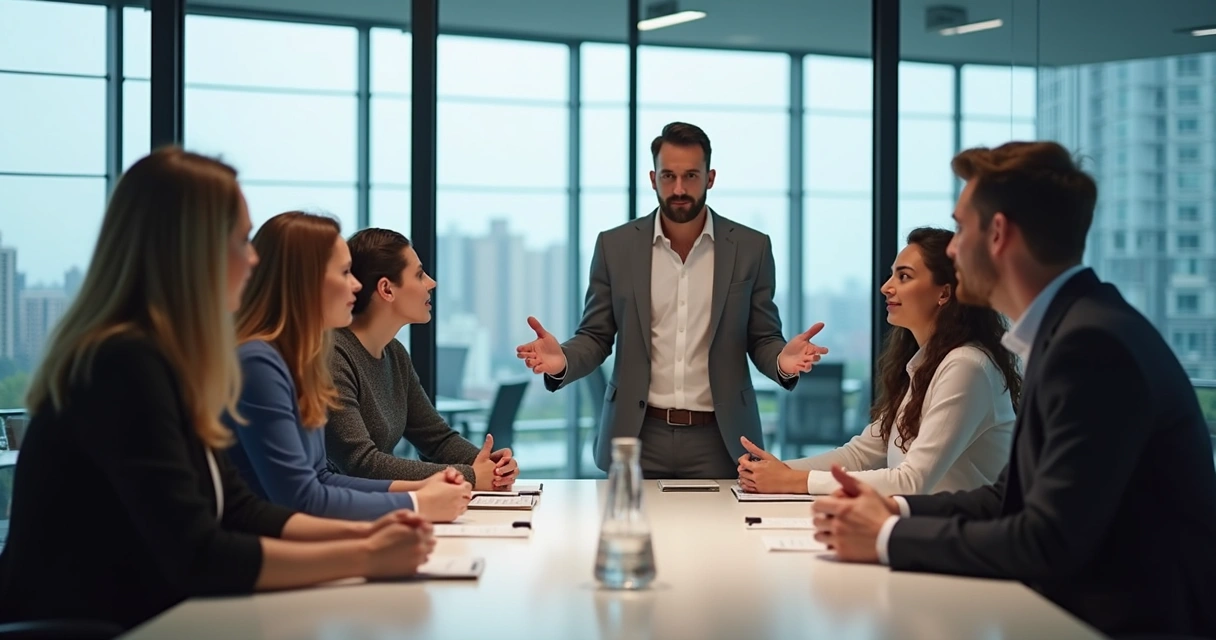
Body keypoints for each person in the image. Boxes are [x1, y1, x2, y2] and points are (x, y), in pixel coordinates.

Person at [0, 149, 435, 631]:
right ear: (188, 250)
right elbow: (200, 553)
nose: (253, 258)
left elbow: (241, 509)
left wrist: (376, 533)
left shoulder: (173, 361)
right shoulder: (123, 365)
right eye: (240, 239)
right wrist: (365, 555)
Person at [811, 141, 1216, 638]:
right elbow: (1009, 497)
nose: (954, 249)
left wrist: (888, 536)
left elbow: (1046, 539)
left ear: (998, 233)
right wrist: (892, 510)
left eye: (961, 228)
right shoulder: (1075, 327)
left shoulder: (1089, 346)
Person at [515, 122, 828, 478]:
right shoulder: (615, 247)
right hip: (637, 434)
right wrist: (563, 361)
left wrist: (783, 361)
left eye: (691, 176)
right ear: (653, 179)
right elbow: (596, 335)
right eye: (668, 176)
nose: (679, 189)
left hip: (721, 437)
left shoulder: (751, 248)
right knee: (631, 533)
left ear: (710, 178)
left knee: (721, 535)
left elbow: (762, 338)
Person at [227, 212, 471, 523]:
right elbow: (303, 497)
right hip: (258, 551)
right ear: (305, 281)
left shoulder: (302, 360)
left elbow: (323, 478)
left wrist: (423, 488)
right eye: (344, 273)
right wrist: (417, 503)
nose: (356, 285)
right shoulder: (259, 362)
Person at [738, 227, 1019, 495]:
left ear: (944, 293)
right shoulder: (924, 365)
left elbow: (911, 481)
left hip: (965, 536)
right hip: (930, 527)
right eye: (891, 276)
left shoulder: (966, 366)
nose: (886, 287)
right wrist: (775, 471)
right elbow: (859, 454)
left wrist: (793, 480)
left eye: (904, 277)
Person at [326, 228, 520, 490]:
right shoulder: (334, 356)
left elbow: (436, 439)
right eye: (419, 275)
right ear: (386, 289)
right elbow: (360, 464)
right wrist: (469, 475)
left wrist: (489, 466)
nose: (431, 282)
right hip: (341, 512)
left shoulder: (394, 353)